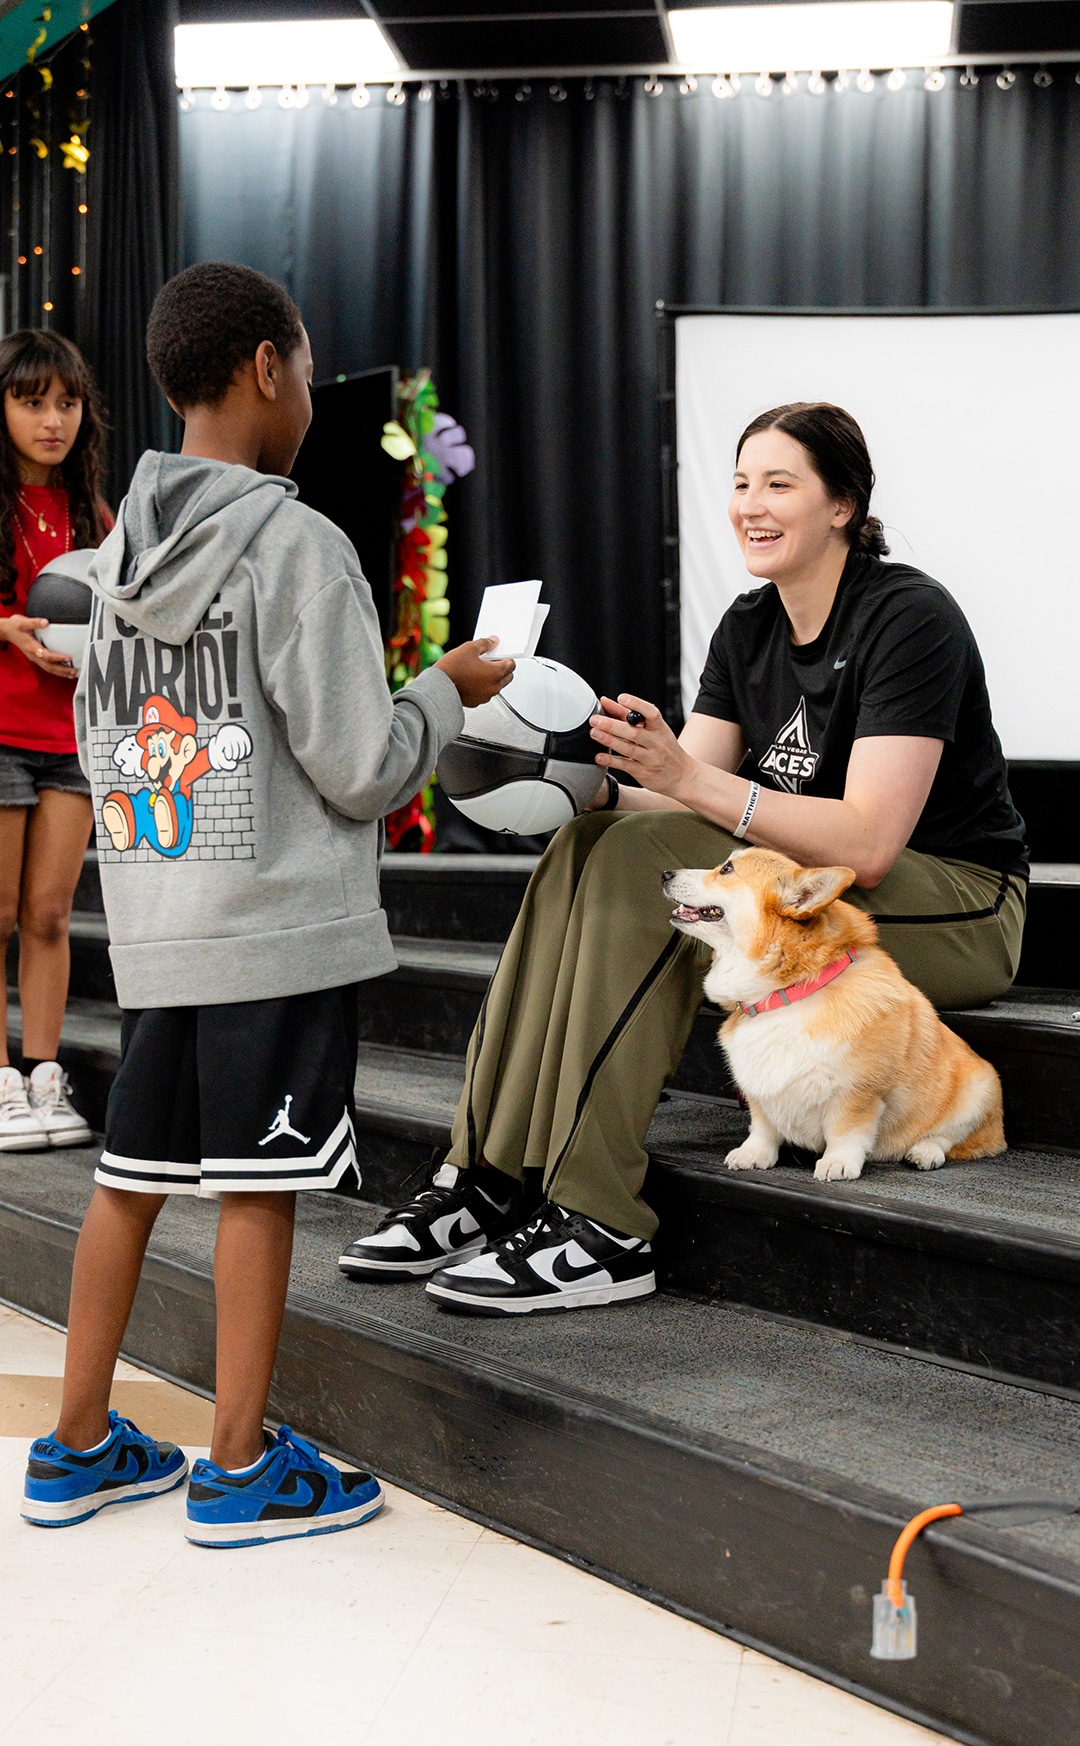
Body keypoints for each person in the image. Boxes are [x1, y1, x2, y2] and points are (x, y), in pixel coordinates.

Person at [20, 261, 511, 1546]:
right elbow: (364, 765)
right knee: (258, 1190)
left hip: (161, 926)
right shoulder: (299, 545)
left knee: (127, 1181)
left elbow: (114, 745)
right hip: (277, 934)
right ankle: (237, 1469)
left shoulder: (109, 558)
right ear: (266, 369)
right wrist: (447, 687)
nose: (306, 389)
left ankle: (74, 1448)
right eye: (302, 363)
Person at [341, 401, 1028, 1315]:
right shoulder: (748, 625)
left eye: (779, 483)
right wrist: (589, 788)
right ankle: (487, 1173)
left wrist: (689, 784)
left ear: (843, 505)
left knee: (652, 862)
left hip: (958, 901)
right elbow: (674, 792)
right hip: (805, 883)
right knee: (595, 841)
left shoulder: (909, 617)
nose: (751, 503)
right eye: (741, 483)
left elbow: (866, 841)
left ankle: (602, 1220)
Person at [0, 330, 112, 1153]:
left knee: (47, 913)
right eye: (32, 401)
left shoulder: (93, 516)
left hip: (70, 739)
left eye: (66, 402)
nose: (52, 420)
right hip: (1, 732)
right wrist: (7, 627)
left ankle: (44, 1072)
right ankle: (1, 1082)